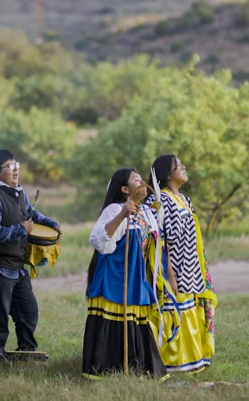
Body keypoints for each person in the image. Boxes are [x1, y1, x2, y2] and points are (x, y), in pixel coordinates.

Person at [83, 167, 166, 378]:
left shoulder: (146, 212)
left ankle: (137, 368)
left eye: (141, 179)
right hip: (115, 277)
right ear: (124, 189)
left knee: (136, 322)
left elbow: (154, 248)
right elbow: (99, 241)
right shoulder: (114, 209)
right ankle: (109, 368)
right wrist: (122, 214)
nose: (142, 182)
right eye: (136, 180)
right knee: (113, 322)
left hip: (136, 277)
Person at [0, 149, 61, 361]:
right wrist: (21, 229)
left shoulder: (18, 192)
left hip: (17, 267)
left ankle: (26, 351)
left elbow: (31, 214)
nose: (16, 170)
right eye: (10, 167)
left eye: (16, 165)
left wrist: (51, 223)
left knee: (28, 312)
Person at [150, 155, 217, 374]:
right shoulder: (161, 200)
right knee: (175, 311)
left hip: (191, 266)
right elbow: (160, 241)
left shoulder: (185, 200)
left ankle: (195, 357)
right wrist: (169, 275)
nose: (184, 167)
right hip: (174, 269)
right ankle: (175, 362)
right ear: (168, 174)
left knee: (191, 307)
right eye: (178, 166)